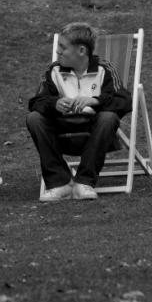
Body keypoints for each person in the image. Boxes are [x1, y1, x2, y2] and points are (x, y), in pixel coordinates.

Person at [27, 22, 133, 201]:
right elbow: (36, 102)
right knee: (34, 118)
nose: (58, 51)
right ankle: (59, 183)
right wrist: (55, 103)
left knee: (108, 117)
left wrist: (95, 101)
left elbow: (124, 101)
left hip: (95, 132)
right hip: (61, 131)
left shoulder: (104, 70)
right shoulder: (53, 71)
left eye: (63, 47)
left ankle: (85, 182)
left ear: (81, 51)